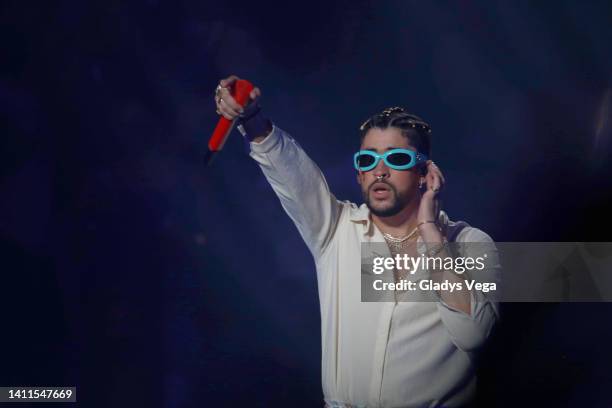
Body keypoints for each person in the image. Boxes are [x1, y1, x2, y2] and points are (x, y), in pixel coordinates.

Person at [214, 75, 500, 407]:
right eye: (368, 160)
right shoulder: (337, 230)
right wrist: (250, 117)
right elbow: (289, 170)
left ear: (426, 173)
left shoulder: (470, 242)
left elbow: (475, 333)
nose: (380, 170)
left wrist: (429, 230)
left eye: (396, 159)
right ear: (358, 174)